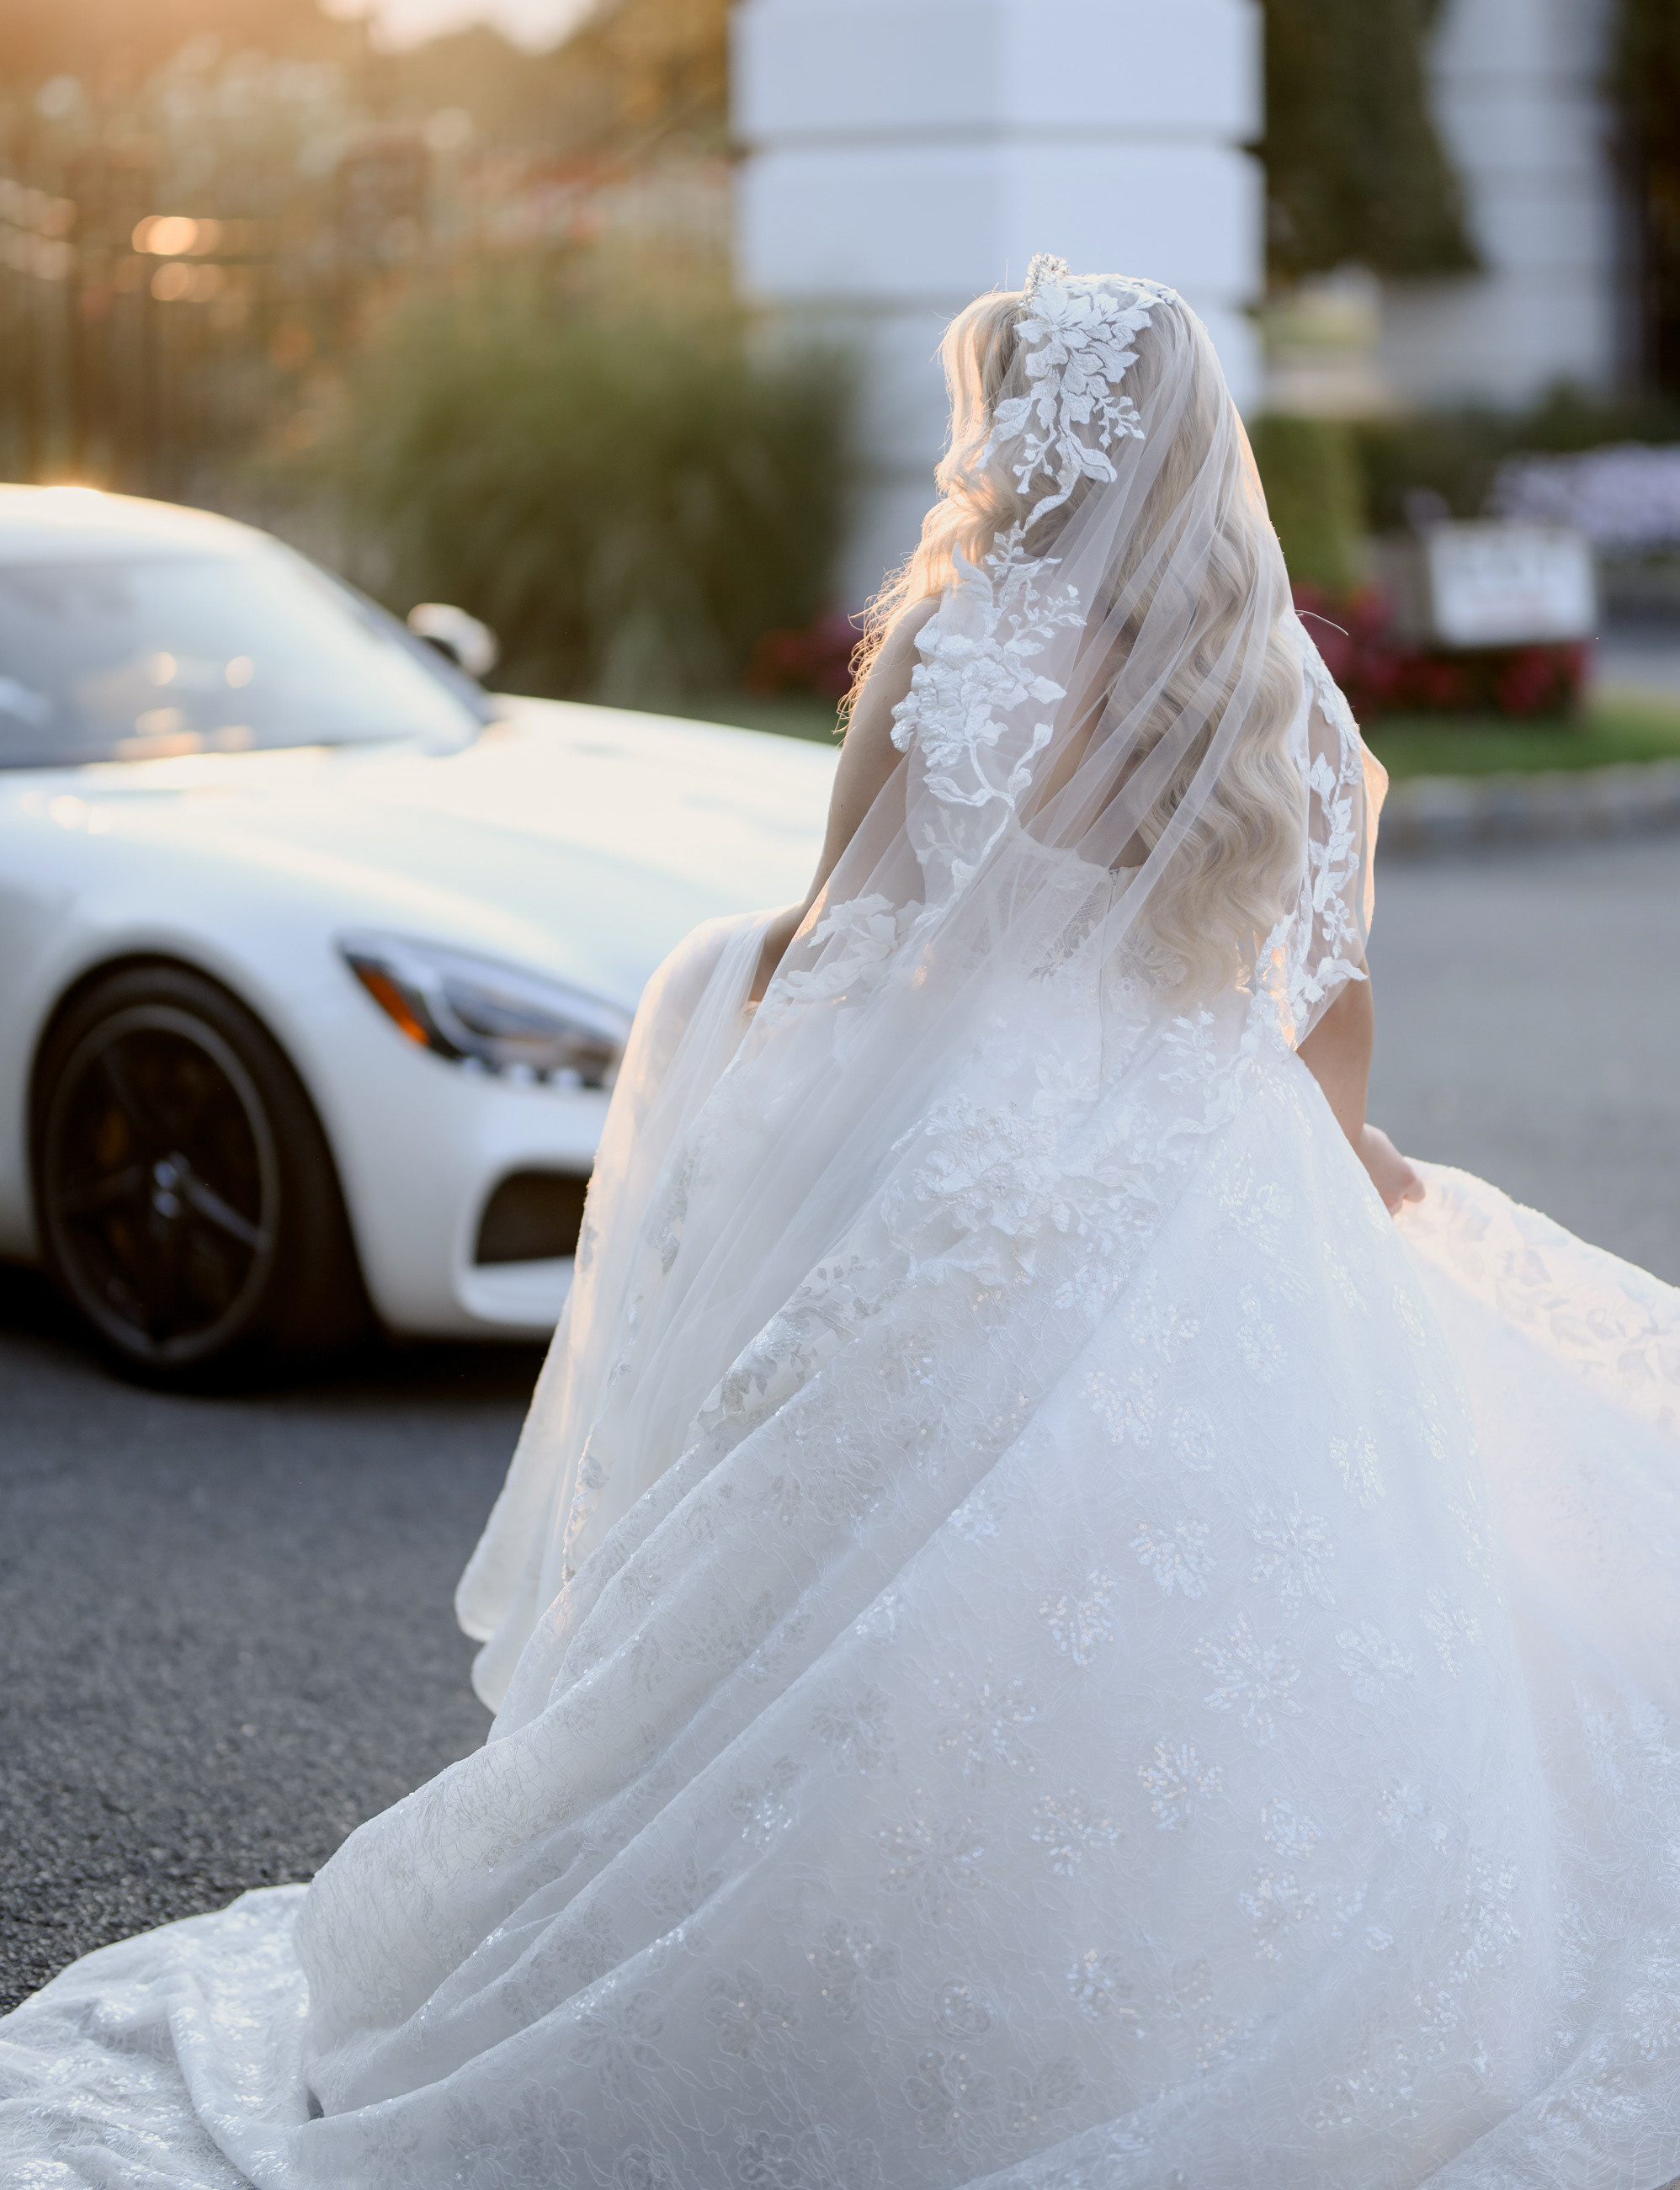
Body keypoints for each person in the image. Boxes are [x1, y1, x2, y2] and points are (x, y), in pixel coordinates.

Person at [4, 261, 1680, 2190]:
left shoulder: (954, 642)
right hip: (1219, 1166)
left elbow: (833, 949)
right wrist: (1342, 1161)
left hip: (968, 1155)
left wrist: (712, 1047)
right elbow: (1324, 1001)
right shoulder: (1272, 688)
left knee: (861, 1584)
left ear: (1016, 433)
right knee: (1256, 1593)